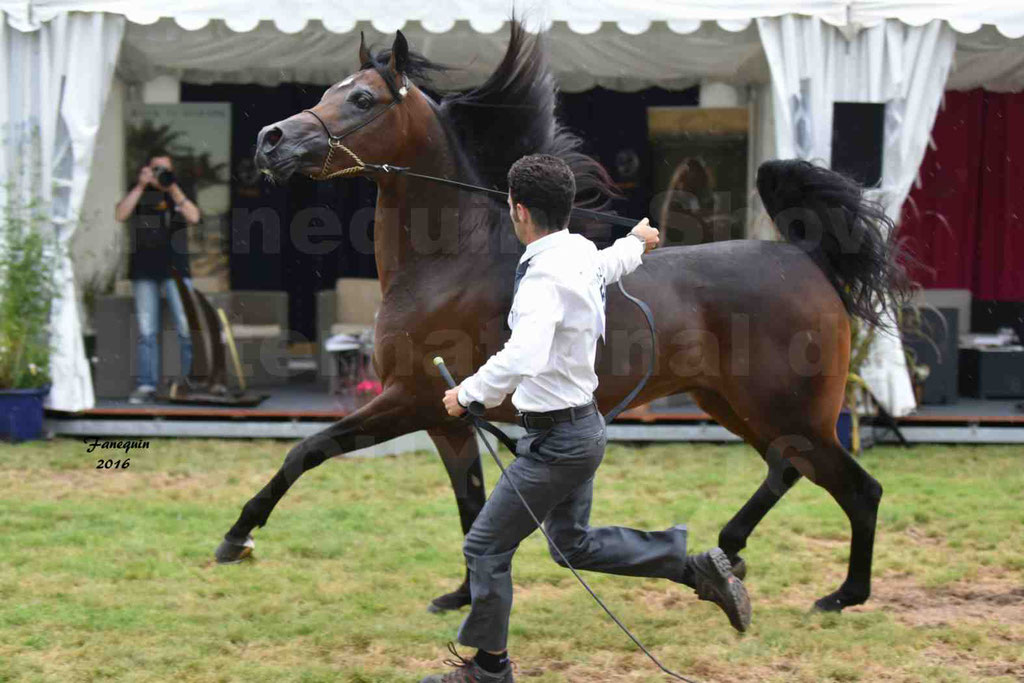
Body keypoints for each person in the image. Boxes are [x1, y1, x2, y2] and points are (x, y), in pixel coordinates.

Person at [430, 155, 751, 682]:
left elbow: (523, 354)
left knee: (485, 547)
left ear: (519, 209)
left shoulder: (543, 277)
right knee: (571, 544)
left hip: (560, 441)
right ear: (566, 208)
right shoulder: (576, 252)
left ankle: (489, 670)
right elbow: (608, 264)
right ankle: (692, 568)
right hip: (579, 432)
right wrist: (638, 242)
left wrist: (468, 393)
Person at [114, 150, 201, 404]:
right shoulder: (138, 190)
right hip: (144, 270)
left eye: (165, 169)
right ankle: (146, 385)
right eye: (156, 169)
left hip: (177, 269)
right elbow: (120, 215)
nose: (161, 173)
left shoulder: (179, 189)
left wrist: (172, 188)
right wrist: (141, 186)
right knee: (147, 331)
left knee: (186, 328)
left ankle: (187, 383)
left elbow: (194, 217)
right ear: (147, 170)